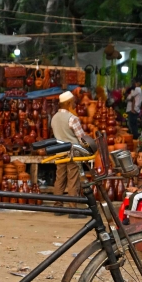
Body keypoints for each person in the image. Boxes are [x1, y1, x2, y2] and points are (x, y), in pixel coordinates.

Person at [50, 90, 90, 218]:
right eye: (73, 102)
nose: (74, 104)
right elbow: (81, 138)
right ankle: (74, 210)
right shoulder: (72, 118)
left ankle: (58, 207)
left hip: (59, 151)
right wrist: (88, 147)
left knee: (60, 178)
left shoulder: (54, 117)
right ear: (68, 103)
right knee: (73, 179)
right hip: (73, 152)